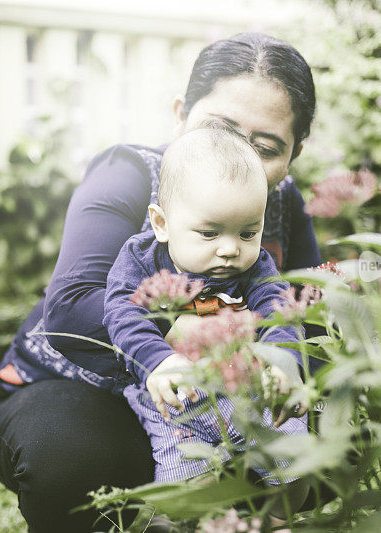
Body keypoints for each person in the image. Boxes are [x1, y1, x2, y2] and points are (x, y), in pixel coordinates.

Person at [0, 32, 322, 531]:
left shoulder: (282, 201)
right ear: (181, 113)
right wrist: (201, 333)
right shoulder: (130, 172)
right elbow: (72, 308)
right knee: (78, 460)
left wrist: (286, 365)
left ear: (294, 153)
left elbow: (304, 314)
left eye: (266, 147)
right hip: (71, 387)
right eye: (217, 127)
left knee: (325, 438)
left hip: (205, 397)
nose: (236, 154)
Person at [103, 126, 310, 511]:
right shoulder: (141, 259)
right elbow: (122, 312)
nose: (230, 249)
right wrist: (159, 360)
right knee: (185, 483)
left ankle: (284, 517)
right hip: (176, 401)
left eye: (249, 232)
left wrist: (283, 361)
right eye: (209, 233)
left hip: (247, 388)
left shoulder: (256, 266)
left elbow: (278, 308)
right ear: (162, 224)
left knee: (294, 455)